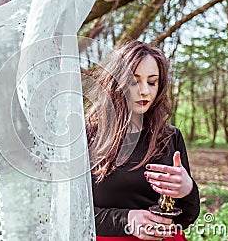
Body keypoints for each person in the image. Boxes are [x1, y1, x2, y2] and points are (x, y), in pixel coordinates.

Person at [85, 40, 200, 241]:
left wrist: (187, 190)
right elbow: (69, 213)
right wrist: (127, 220)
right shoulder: (87, 136)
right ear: (115, 82)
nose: (144, 90)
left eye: (152, 81)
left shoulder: (170, 137)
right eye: (133, 81)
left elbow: (186, 218)